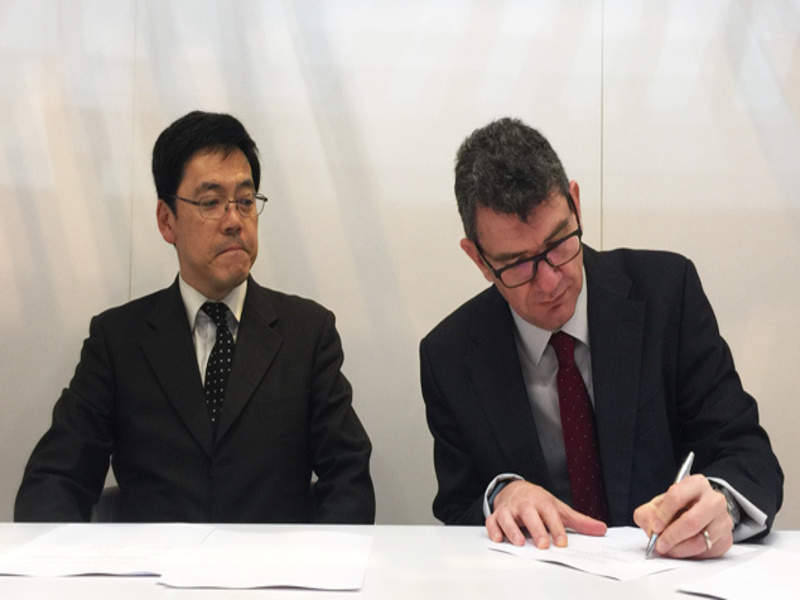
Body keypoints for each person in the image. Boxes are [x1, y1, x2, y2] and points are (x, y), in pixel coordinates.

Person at [420, 117, 782, 558]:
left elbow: (746, 452)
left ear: (575, 204)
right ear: (478, 259)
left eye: (558, 243)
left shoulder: (668, 294)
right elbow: (457, 507)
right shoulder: (450, 356)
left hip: (665, 572)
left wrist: (723, 504)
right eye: (517, 264)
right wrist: (500, 495)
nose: (550, 281)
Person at [15, 111, 375, 523]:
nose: (234, 221)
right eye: (210, 203)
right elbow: (54, 480)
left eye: (245, 201)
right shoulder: (117, 341)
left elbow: (348, 478)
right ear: (166, 221)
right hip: (154, 564)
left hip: (271, 564)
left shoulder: (307, 333)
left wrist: (319, 559)